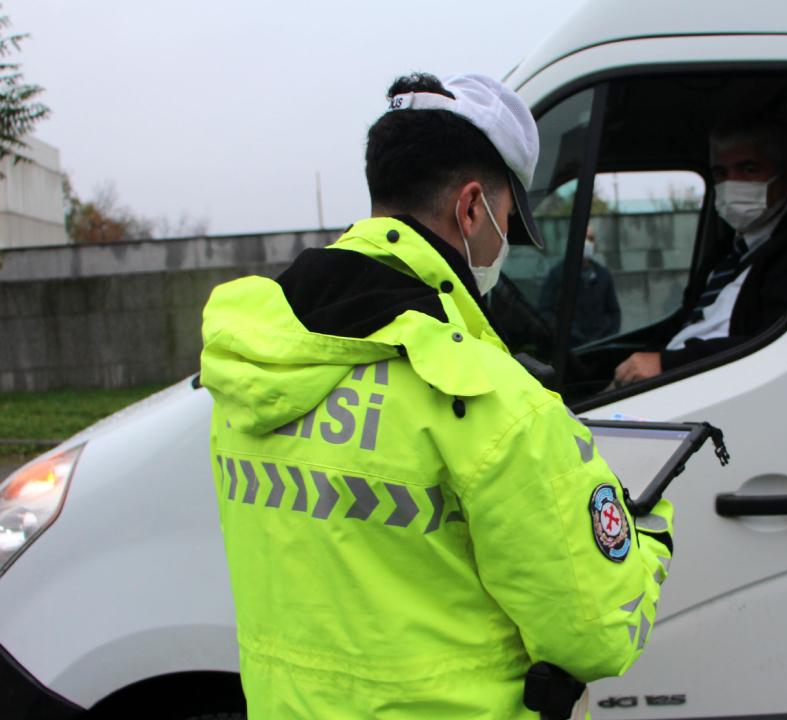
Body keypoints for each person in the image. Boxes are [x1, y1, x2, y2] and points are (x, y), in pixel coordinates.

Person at [199, 73, 675, 719]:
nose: (504, 244)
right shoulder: (489, 398)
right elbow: (596, 638)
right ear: (472, 208)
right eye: (510, 222)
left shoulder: (248, 361)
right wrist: (647, 527)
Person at [613, 111, 787, 385]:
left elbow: (776, 342)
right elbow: (687, 320)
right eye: (721, 173)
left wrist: (667, 363)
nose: (732, 183)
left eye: (748, 169)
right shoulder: (729, 250)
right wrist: (641, 359)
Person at [539, 228, 622, 345]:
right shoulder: (557, 274)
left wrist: (606, 337)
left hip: (599, 345)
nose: (587, 243)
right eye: (583, 237)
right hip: (569, 346)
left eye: (591, 239)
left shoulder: (603, 275)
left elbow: (614, 313)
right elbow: (545, 311)